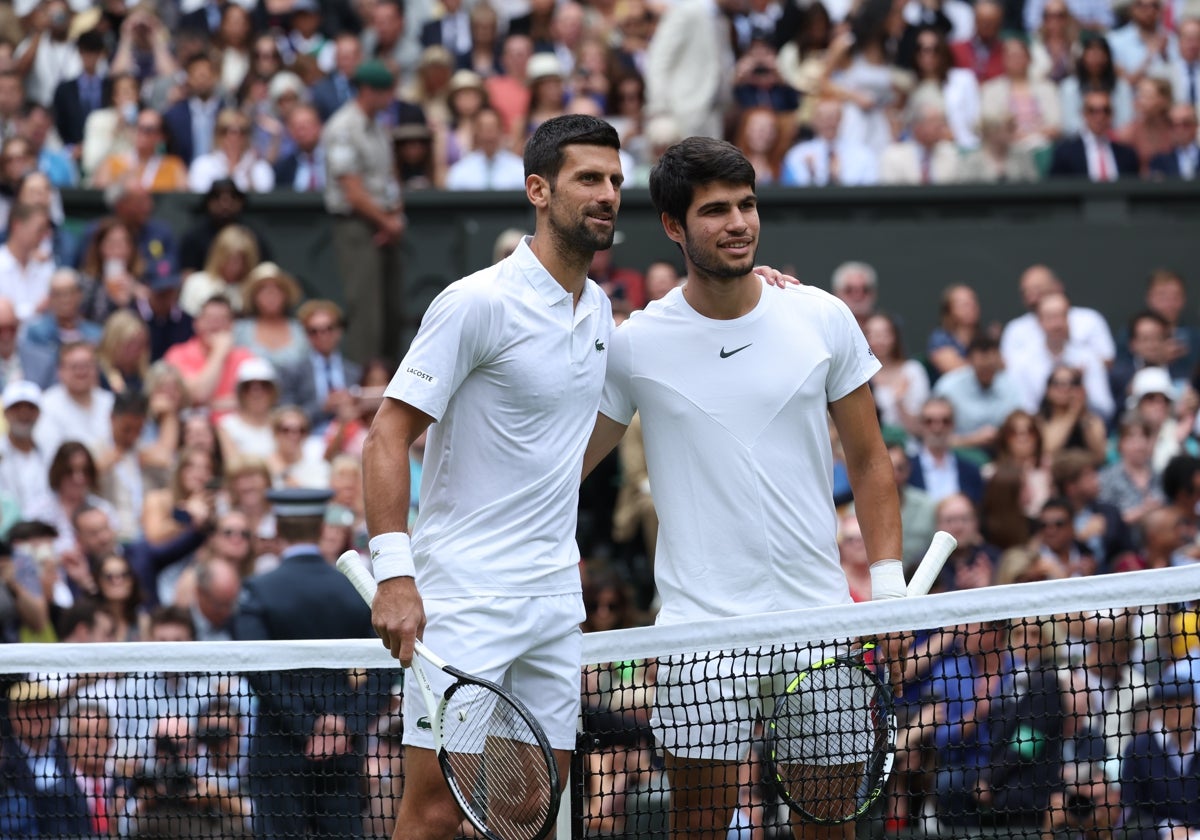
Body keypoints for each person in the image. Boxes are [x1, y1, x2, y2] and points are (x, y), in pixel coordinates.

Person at [580, 136, 903, 840]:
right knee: (696, 825)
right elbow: (567, 466)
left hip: (820, 625)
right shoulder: (635, 343)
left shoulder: (819, 316)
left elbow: (872, 462)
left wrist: (889, 587)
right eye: (716, 210)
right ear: (674, 226)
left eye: (748, 205)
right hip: (701, 634)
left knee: (829, 826)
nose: (739, 223)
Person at [363, 114, 624, 840]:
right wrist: (395, 576)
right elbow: (386, 437)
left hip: (552, 598)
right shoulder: (475, 302)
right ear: (538, 190)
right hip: (464, 597)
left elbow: (566, 449)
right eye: (588, 179)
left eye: (614, 181)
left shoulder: (599, 309)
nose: (606, 194)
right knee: (435, 811)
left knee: (528, 814)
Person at [233, 487, 392, 840]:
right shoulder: (354, 588)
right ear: (322, 526)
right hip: (341, 751)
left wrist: (307, 726)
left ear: (278, 529)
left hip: (279, 748)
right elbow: (387, 663)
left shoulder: (259, 590)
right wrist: (346, 724)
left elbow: (258, 668)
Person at [323, 59, 407, 363]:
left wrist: (394, 217)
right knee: (365, 308)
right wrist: (387, 222)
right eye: (384, 91)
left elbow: (388, 178)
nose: (389, 98)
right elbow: (352, 190)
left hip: (383, 224)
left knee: (390, 309)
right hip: (356, 225)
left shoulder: (378, 127)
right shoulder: (343, 127)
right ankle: (363, 379)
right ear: (367, 90)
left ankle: (388, 376)